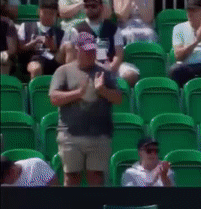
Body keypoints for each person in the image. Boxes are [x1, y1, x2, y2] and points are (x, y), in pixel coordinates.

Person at [49, 32, 122, 186]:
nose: (91, 54)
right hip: (70, 135)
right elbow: (54, 98)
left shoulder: (104, 72)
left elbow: (118, 98)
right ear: (77, 50)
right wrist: (78, 93)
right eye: (87, 50)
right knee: (71, 177)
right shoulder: (63, 71)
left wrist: (103, 90)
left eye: (93, 50)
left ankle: (94, 203)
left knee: (96, 178)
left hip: (99, 135)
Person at [62, 0, 140, 86]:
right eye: (86, 6)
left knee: (131, 75)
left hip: (111, 67)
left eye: (93, 6)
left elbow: (119, 55)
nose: (89, 9)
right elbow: (73, 59)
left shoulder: (113, 28)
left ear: (101, 7)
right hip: (87, 69)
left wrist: (110, 68)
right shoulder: (77, 30)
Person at [17, 0, 65, 80]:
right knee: (36, 68)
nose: (48, 16)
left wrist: (53, 48)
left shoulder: (61, 32)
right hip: (32, 60)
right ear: (39, 12)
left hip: (53, 61)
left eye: (51, 14)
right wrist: (33, 43)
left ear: (56, 15)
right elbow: (19, 50)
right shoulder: (25, 26)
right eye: (45, 13)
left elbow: (61, 57)